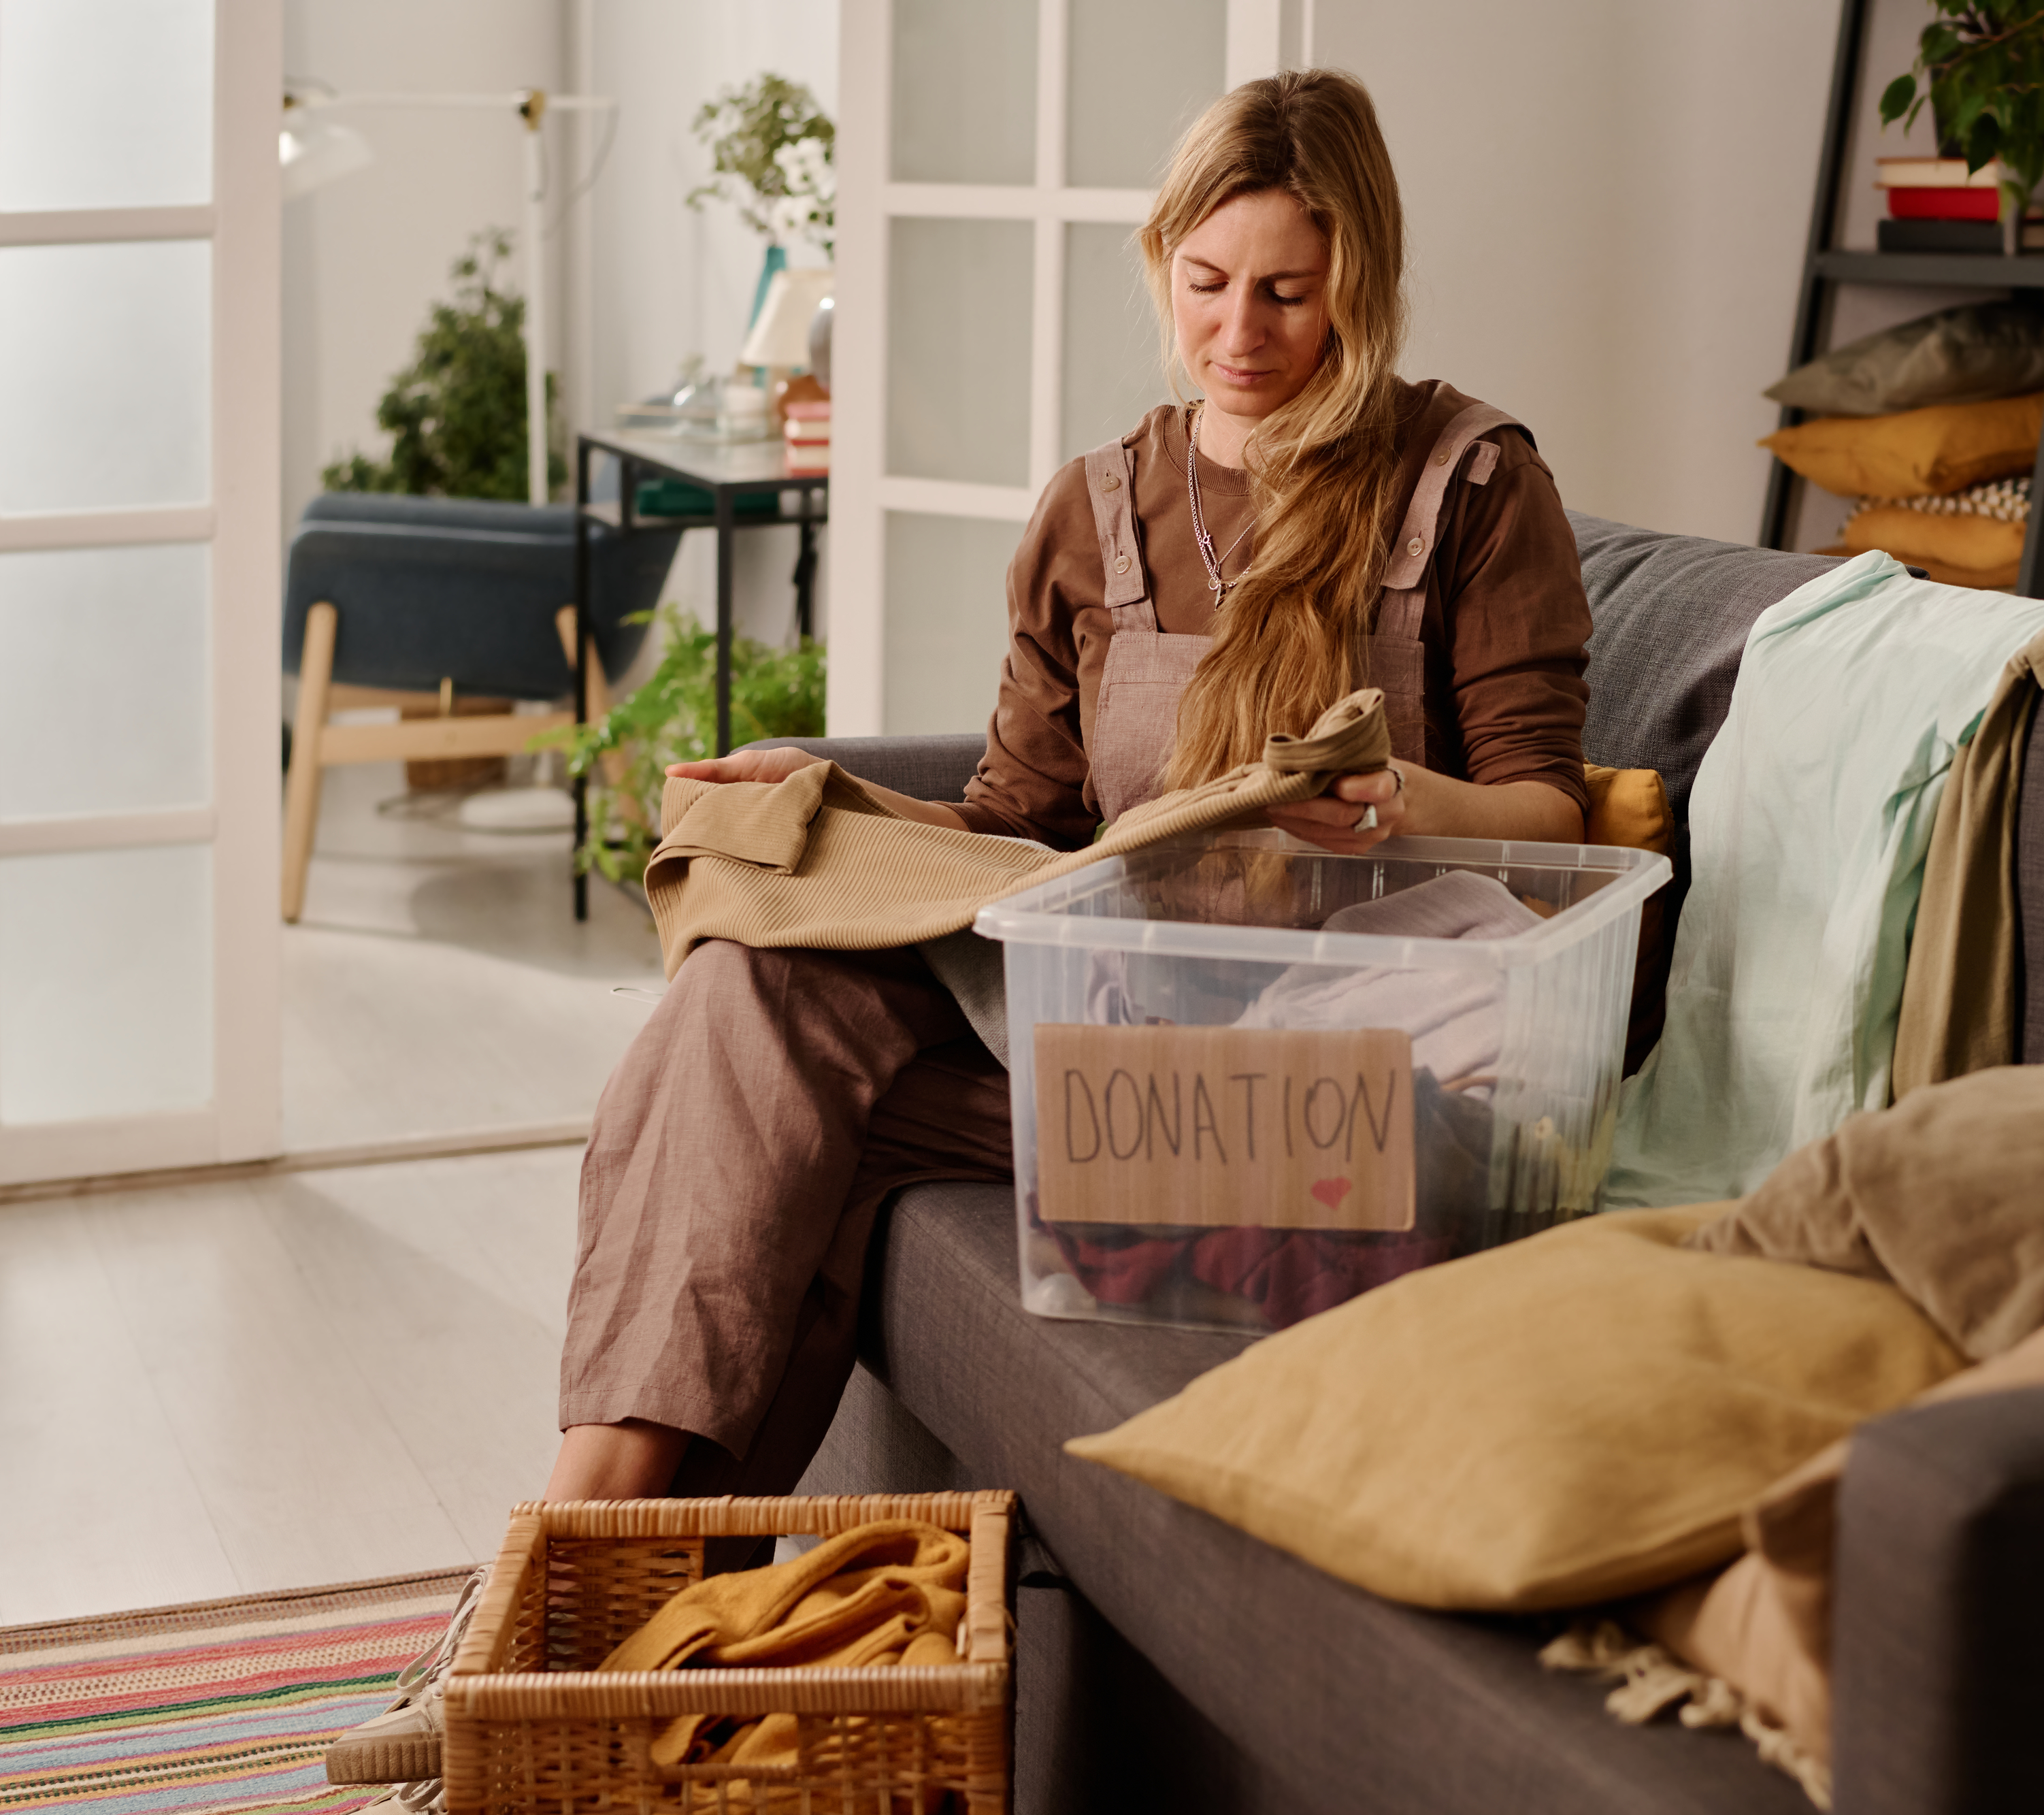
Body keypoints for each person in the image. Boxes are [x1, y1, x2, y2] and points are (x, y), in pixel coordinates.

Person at [325, 67, 1594, 1805]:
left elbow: (1559, 814)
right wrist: (815, 806)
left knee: (783, 1122)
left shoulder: (1470, 483)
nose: (1240, 330)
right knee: (753, 1003)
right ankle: (576, 1632)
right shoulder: (1095, 506)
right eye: (1207, 283)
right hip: (1106, 1074)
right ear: (1163, 265)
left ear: (1359, 279)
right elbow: (1018, 830)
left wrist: (1397, 805)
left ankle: (546, 1621)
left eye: (1288, 292)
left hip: (1347, 1107)